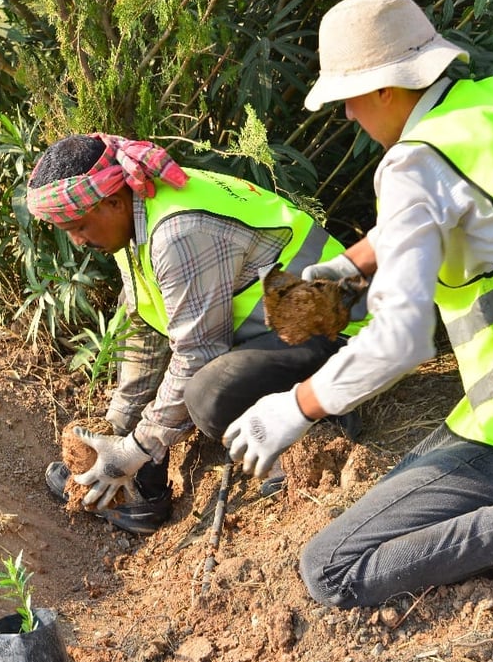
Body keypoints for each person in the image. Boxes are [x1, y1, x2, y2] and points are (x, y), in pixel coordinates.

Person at [224, 0, 493, 607]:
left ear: (387, 87)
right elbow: (462, 212)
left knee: (332, 568)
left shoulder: (413, 163)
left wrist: (297, 406)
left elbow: (403, 340)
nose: (350, 116)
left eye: (350, 100)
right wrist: (348, 266)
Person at [26, 134, 363, 535]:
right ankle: (143, 497)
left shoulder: (178, 232)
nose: (77, 241)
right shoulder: (135, 217)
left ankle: (303, 438)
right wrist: (116, 428)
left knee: (207, 396)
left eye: (79, 226)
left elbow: (199, 352)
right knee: (170, 397)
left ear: (112, 202)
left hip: (340, 334)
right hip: (279, 329)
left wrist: (135, 449)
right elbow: (145, 328)